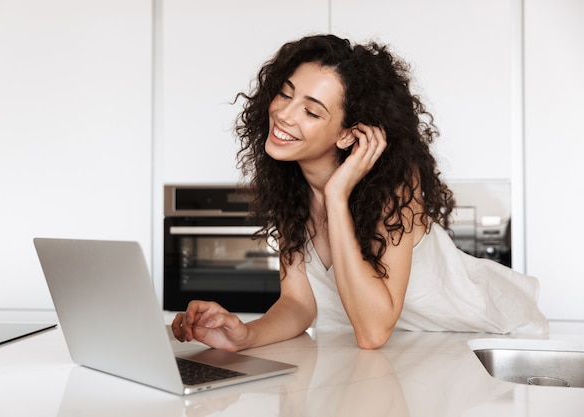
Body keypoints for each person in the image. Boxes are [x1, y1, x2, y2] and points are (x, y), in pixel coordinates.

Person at [172, 34, 548, 351]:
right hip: (394, 354)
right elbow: (299, 304)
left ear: (349, 133)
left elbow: (372, 331)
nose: (284, 114)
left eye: (312, 111)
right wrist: (245, 335)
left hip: (481, 339)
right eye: (285, 95)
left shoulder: (396, 186)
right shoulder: (291, 189)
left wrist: (336, 197)